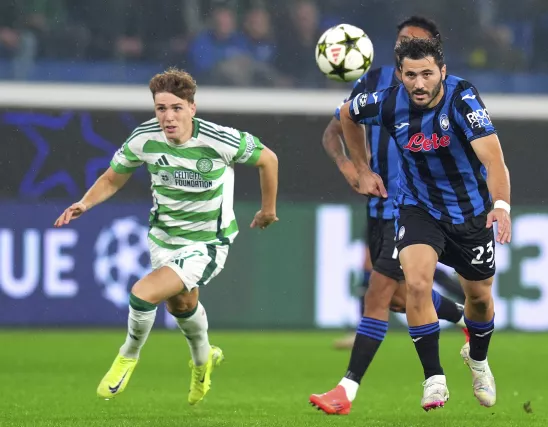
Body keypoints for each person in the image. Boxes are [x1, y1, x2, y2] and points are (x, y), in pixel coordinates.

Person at [53, 68, 279, 405]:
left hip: (208, 243)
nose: (168, 117)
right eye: (161, 108)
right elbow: (113, 178)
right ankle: (204, 362)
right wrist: (85, 203)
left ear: (192, 108)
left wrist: (267, 210)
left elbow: (268, 159)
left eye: (176, 108)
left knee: (143, 294)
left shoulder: (219, 139)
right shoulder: (144, 138)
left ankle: (127, 356)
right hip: (163, 239)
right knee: (183, 305)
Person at [313, 37, 511, 413]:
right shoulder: (387, 101)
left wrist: (501, 205)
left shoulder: (463, 99)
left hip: (469, 215)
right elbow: (346, 115)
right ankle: (434, 378)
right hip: (418, 208)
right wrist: (362, 167)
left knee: (480, 299)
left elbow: (494, 159)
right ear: (400, 75)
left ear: (442, 72)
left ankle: (479, 360)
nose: (419, 83)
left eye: (426, 74)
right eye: (410, 75)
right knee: (417, 283)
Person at [326, 17, 468, 352]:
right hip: (378, 200)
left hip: (414, 204)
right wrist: (351, 167)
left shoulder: (445, 93)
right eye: (402, 41)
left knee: (383, 284)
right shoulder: (371, 82)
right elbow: (332, 131)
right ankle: (464, 315)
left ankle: (352, 379)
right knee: (399, 296)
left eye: (416, 42)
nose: (407, 48)